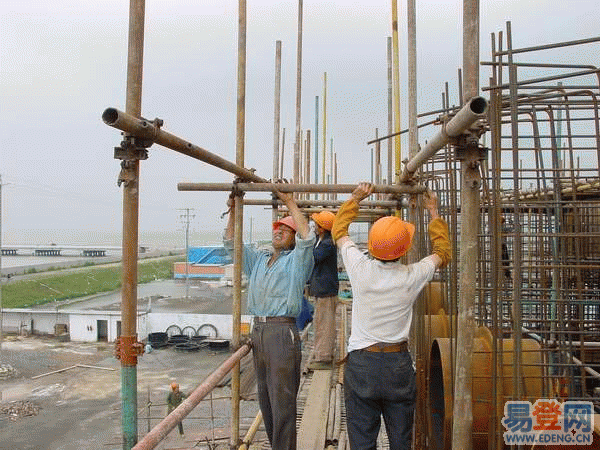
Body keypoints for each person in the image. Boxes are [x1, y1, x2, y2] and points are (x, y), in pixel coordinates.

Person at [331, 182, 451, 450]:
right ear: (404, 249)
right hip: (397, 365)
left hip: (362, 364)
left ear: (372, 246)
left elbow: (338, 229)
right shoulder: (412, 275)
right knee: (400, 441)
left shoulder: (359, 267)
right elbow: (443, 254)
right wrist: (433, 211)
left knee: (362, 442)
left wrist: (355, 198)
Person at [224, 188, 315, 450]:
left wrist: (290, 203)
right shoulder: (260, 260)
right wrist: (233, 210)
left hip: (280, 331)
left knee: (282, 401)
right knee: (266, 399)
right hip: (259, 330)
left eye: (285, 230)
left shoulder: (297, 262)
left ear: (293, 239)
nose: (278, 232)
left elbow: (307, 238)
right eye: (276, 229)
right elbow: (232, 244)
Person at [307, 210, 339, 370]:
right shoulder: (321, 241)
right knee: (321, 323)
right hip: (323, 289)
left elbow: (313, 257)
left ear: (322, 228)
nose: (313, 227)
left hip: (326, 290)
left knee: (324, 325)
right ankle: (323, 354)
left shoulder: (327, 244)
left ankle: (324, 358)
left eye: (316, 225)